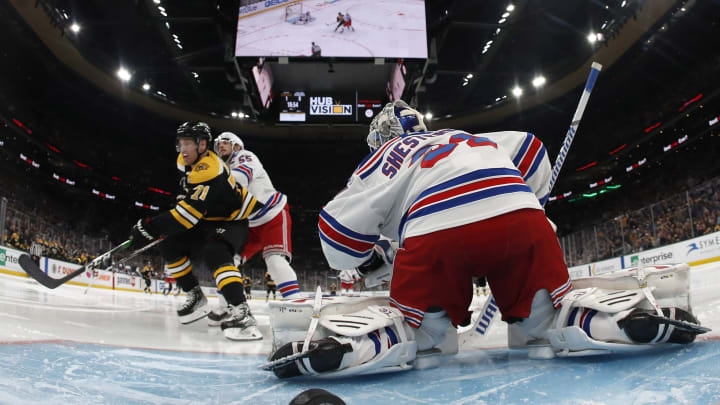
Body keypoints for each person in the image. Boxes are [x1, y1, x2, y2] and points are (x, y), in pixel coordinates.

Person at [266, 100, 706, 378]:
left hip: (436, 235)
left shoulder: (383, 156)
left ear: (381, 139)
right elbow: (533, 150)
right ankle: (619, 321)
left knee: (430, 341)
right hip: (520, 219)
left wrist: (371, 258)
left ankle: (349, 347)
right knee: (540, 328)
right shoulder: (469, 136)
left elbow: (335, 239)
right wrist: (528, 201)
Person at [127, 121, 263, 341]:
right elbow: (188, 200)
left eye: (188, 143)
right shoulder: (186, 162)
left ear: (202, 145)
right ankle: (195, 295)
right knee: (168, 241)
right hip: (206, 219)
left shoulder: (210, 169)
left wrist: (149, 227)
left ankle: (243, 313)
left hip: (232, 221)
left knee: (215, 253)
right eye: (181, 142)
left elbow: (186, 216)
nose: (183, 148)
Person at [214, 132, 300, 299]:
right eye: (219, 144)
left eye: (225, 142)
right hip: (251, 223)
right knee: (228, 261)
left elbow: (241, 180)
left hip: (272, 214)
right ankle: (226, 306)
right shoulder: (222, 170)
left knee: (274, 261)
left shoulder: (244, 156)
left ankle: (295, 302)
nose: (220, 146)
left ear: (237, 146)